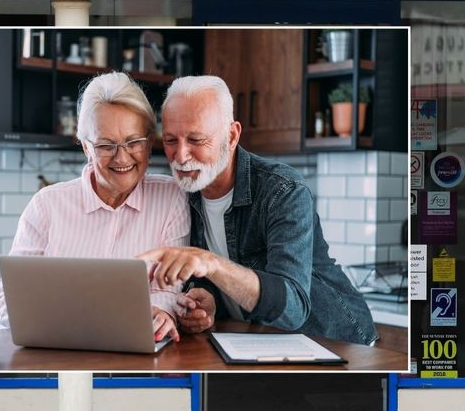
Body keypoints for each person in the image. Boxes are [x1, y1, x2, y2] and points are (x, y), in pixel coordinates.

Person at [138, 75, 378, 345]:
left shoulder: (283, 190)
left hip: (336, 342)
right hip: (259, 344)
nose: (180, 156)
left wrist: (211, 263)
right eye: (171, 140)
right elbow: (220, 274)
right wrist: (209, 301)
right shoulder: (184, 194)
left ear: (231, 136)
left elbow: (293, 308)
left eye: (196, 139)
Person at [0, 72, 191, 342]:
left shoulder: (171, 198)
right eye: (106, 145)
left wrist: (161, 312)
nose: (122, 157)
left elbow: (169, 290)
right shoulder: (47, 205)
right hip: (45, 354)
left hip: (125, 354)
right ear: (85, 147)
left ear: (149, 140)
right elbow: (6, 303)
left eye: (133, 142)